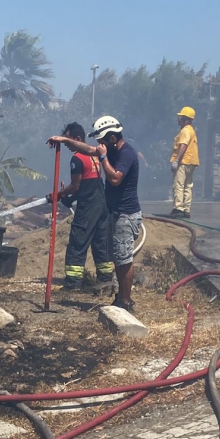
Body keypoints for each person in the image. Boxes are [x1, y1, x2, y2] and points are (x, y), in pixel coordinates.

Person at [49, 114, 141, 311]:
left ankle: (125, 302)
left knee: (124, 260)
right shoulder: (112, 151)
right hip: (114, 212)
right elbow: (89, 149)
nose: (99, 145)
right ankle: (120, 297)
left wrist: (103, 156)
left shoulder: (125, 154)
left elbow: (115, 179)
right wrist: (66, 141)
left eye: (102, 141)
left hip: (126, 215)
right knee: (117, 256)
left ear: (113, 138)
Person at [46, 121, 114, 291]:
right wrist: (69, 199)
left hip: (87, 208)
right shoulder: (97, 154)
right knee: (101, 243)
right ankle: (106, 279)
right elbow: (86, 185)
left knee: (78, 243)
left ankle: (73, 283)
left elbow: (75, 186)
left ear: (77, 139)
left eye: (68, 140)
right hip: (102, 204)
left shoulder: (77, 158)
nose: (68, 145)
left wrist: (59, 195)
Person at [169, 106, 199, 219]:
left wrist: (177, 160)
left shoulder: (185, 130)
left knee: (179, 184)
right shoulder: (191, 130)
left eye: (180, 117)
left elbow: (183, 145)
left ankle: (178, 208)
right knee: (187, 185)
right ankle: (186, 209)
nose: (178, 119)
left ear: (185, 119)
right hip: (191, 162)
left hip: (183, 161)